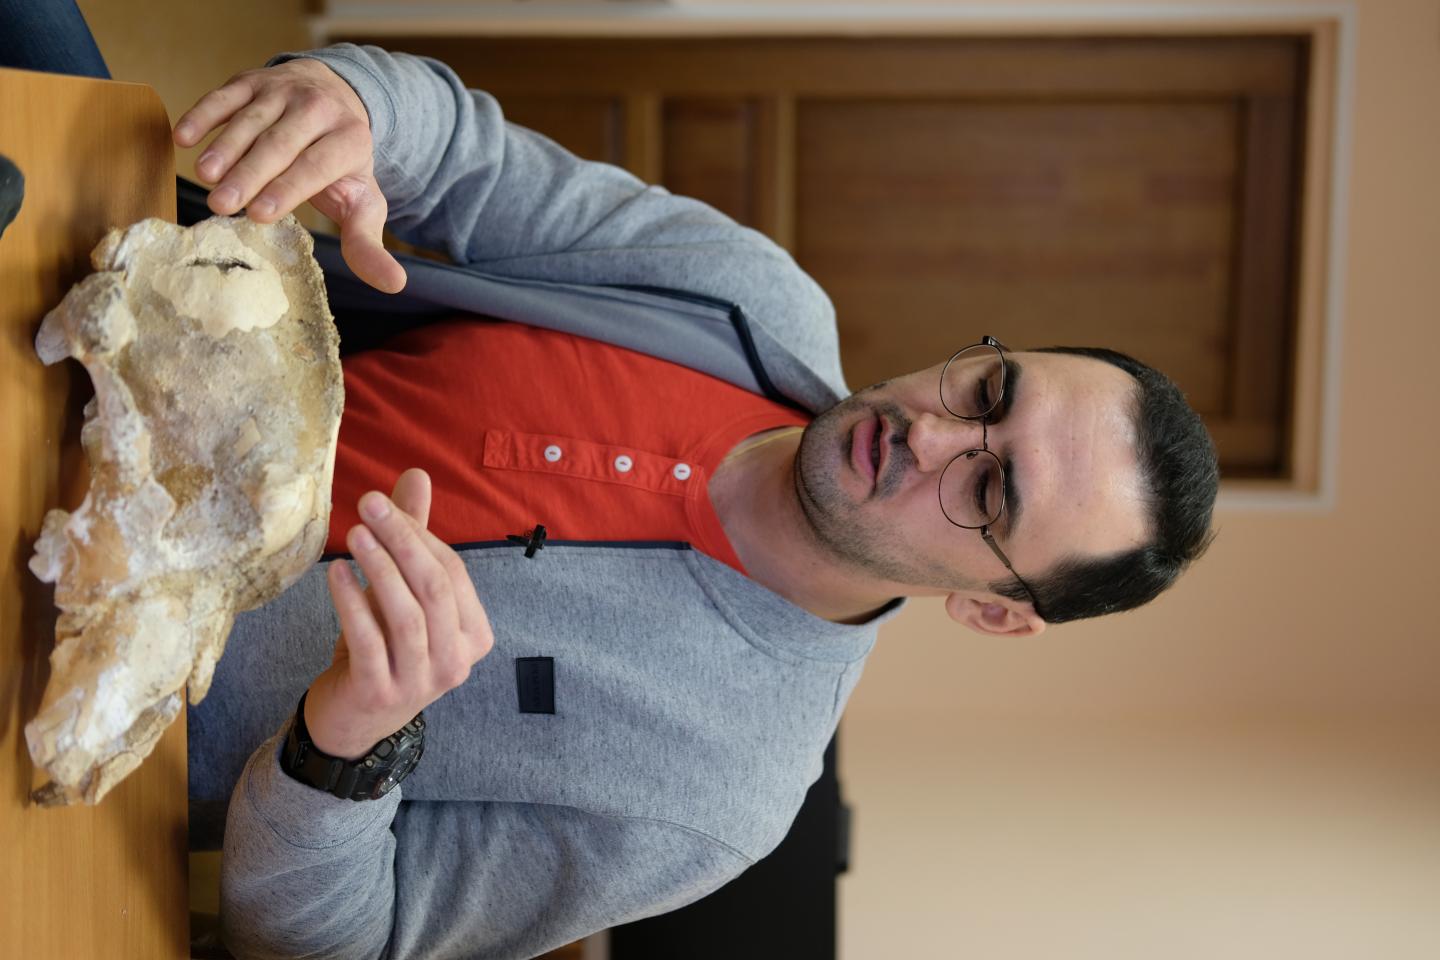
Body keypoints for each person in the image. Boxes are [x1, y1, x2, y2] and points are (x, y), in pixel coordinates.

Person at [6, 11, 1218, 957]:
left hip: (57, 683)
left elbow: (324, 942)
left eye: (991, 496)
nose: (936, 437)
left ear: (997, 609)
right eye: (990, 394)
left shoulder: (713, 803)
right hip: (101, 339)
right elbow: (463, 155)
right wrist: (357, 103)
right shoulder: (754, 295)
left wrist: (347, 747)